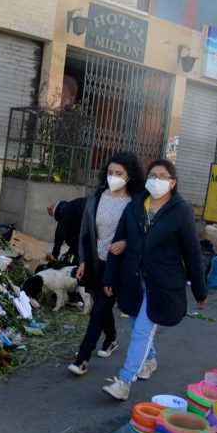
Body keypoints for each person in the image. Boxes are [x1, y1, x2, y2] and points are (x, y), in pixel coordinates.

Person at [101, 159, 208, 400]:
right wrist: (110, 278)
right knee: (138, 327)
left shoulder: (181, 211)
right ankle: (149, 359)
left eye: (162, 176)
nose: (156, 180)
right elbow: (118, 242)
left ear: (172, 182)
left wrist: (200, 291)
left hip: (161, 284)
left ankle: (125, 382)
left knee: (141, 332)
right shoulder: (135, 206)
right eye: (153, 175)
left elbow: (191, 253)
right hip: (133, 280)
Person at [67, 152, 145, 376]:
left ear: (129, 176)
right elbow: (85, 232)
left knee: (99, 307)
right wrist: (82, 261)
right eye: (110, 173)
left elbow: (141, 235)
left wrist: (126, 243)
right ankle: (111, 338)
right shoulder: (97, 197)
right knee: (102, 304)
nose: (113, 177)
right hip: (95, 261)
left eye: (119, 173)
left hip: (118, 266)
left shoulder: (135, 202)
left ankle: (82, 357)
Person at [47, 197, 86, 264]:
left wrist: (54, 255)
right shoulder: (72, 206)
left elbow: (60, 233)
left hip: (88, 219)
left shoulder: (65, 212)